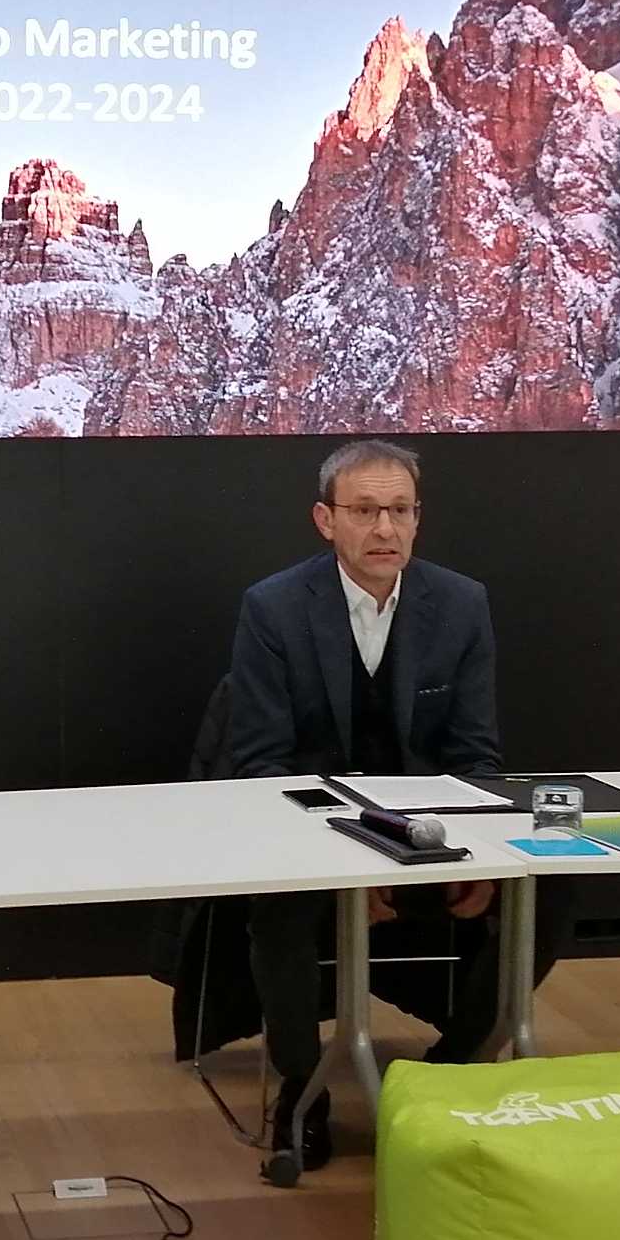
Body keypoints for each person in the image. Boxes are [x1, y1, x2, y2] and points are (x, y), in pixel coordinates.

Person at [227, 439, 559, 1176]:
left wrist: (480, 858)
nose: (385, 529)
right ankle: (303, 1089)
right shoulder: (274, 607)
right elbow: (260, 765)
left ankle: (451, 1067)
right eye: (365, 511)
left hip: (429, 837)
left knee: (553, 883)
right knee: (277, 907)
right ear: (326, 520)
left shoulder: (461, 602)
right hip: (317, 837)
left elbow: (475, 755)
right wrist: (353, 867)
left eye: (400, 511)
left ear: (418, 519)